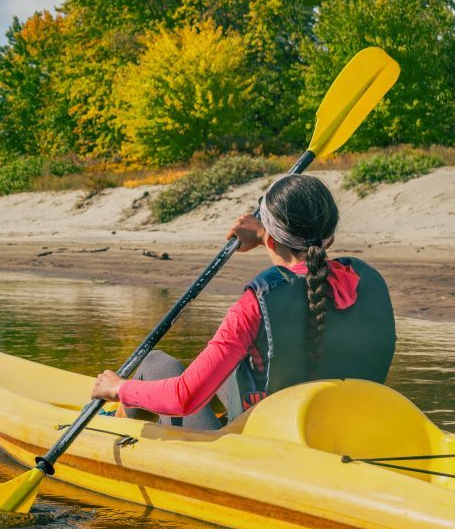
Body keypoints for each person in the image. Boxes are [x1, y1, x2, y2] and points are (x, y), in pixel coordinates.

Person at [91, 174, 396, 430]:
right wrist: (265, 234)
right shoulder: (366, 280)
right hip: (348, 432)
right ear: (329, 237)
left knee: (158, 363)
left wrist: (118, 388)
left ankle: (116, 420)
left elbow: (184, 398)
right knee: (229, 367)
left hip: (268, 447)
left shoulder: (256, 302)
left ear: (273, 240)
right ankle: (133, 412)